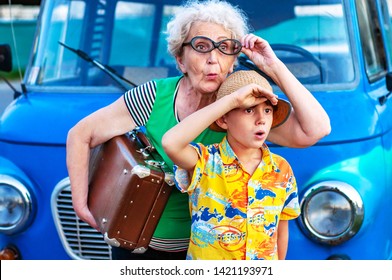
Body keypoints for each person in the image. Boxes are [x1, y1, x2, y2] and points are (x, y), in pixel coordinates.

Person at [66, 0, 330, 260]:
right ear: (180, 59)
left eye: (225, 48)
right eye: (201, 47)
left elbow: (316, 129)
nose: (213, 59)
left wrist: (273, 66)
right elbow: (81, 135)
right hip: (138, 248)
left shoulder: (242, 110)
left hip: (209, 255)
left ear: (233, 61)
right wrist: (80, 204)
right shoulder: (153, 96)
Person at [162, 70, 300, 260]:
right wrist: (233, 100)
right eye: (249, 110)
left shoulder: (281, 168)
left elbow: (281, 229)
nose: (261, 119)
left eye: (267, 110)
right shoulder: (206, 161)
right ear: (223, 119)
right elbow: (171, 143)